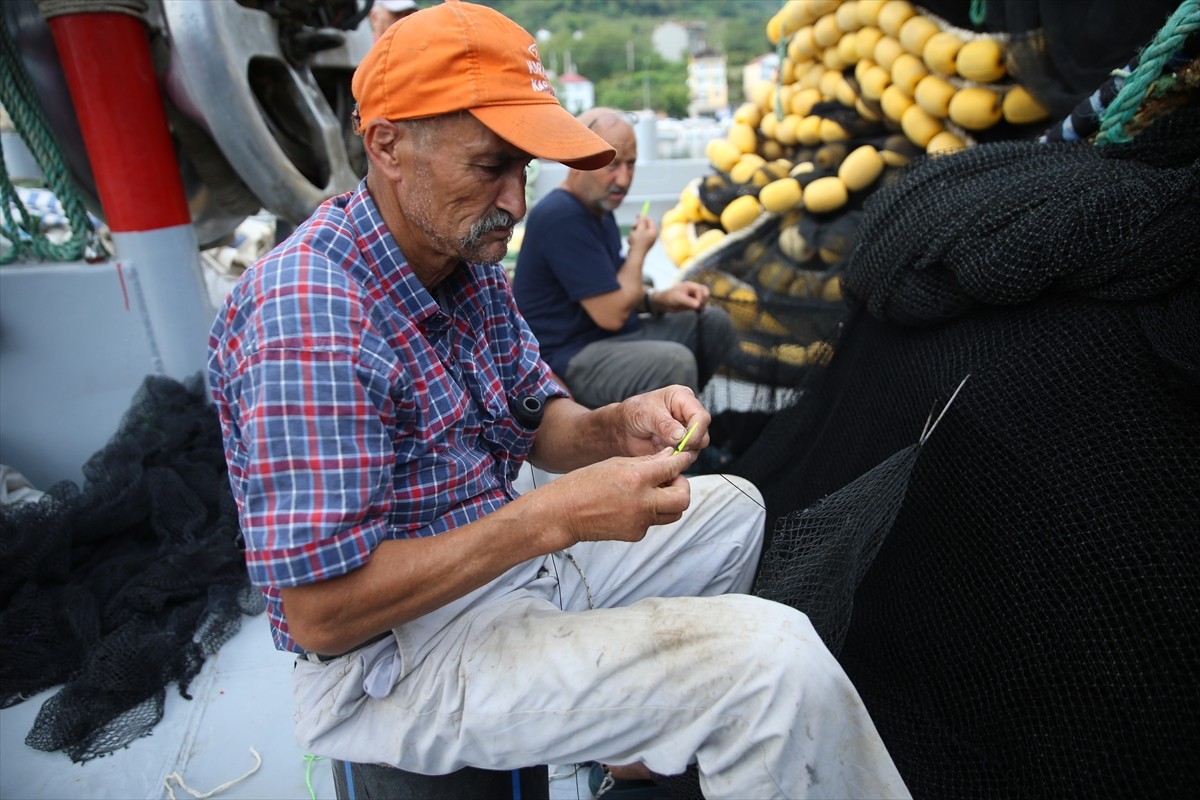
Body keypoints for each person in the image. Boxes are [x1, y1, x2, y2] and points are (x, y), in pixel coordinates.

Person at [206, 2, 909, 798]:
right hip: (399, 659)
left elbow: (540, 423)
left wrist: (620, 424)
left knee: (737, 507)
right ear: (388, 145)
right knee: (772, 664)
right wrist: (557, 516)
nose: (514, 201)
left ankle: (622, 746)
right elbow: (322, 616)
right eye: (489, 167)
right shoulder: (310, 313)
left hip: (506, 577)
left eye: (525, 171)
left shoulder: (465, 265)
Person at [512, 107, 736, 409]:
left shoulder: (598, 210)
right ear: (578, 160)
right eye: (612, 165)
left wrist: (660, 299)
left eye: (630, 165)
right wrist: (639, 250)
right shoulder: (560, 216)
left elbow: (614, 288)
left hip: (610, 338)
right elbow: (612, 314)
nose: (624, 178)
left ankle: (686, 419)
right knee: (672, 363)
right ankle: (677, 448)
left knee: (711, 324)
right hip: (569, 357)